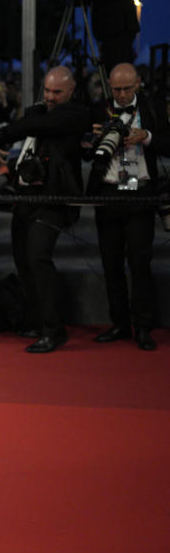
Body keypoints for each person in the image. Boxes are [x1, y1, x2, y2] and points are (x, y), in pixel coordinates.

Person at [0, 66, 89, 353]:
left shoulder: (75, 114)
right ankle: (35, 319)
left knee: (38, 257)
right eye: (47, 90)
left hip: (54, 199)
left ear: (71, 90)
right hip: (26, 196)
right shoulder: (38, 113)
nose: (50, 96)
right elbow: (33, 123)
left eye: (57, 91)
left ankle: (53, 329)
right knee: (23, 259)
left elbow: (37, 125)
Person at [86, 63, 169, 351]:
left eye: (126, 89)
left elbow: (168, 143)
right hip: (108, 192)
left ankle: (143, 326)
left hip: (140, 194)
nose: (121, 95)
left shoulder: (153, 107)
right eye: (116, 89)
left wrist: (146, 136)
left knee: (139, 263)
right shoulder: (98, 108)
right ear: (108, 84)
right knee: (111, 264)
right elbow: (84, 151)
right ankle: (119, 323)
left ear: (138, 85)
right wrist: (92, 140)